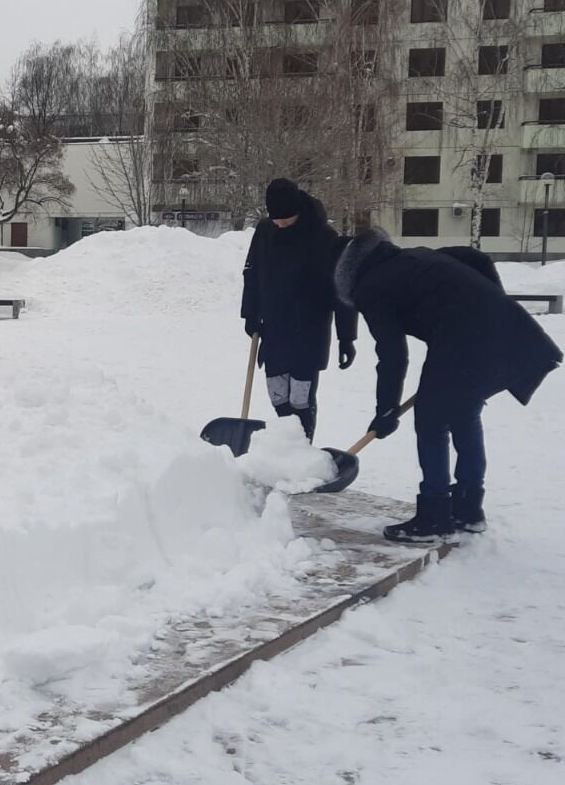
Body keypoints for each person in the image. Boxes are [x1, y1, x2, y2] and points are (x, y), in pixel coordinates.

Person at [335, 228, 562, 542]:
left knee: (431, 419)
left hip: (464, 342)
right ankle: (468, 509)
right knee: (462, 416)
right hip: (507, 333)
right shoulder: (414, 257)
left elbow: (392, 354)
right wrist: (488, 305)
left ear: (346, 275)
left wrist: (386, 409)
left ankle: (434, 516)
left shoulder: (369, 287)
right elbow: (475, 258)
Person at [241, 178, 357, 441]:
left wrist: (346, 336)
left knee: (301, 398)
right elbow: (252, 273)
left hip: (309, 330)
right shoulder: (265, 231)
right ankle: (287, 446)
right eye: (274, 218)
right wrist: (250, 314)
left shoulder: (324, 238)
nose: (279, 223)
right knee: (278, 394)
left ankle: (302, 450)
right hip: (274, 328)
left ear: (297, 210)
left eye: (284, 217)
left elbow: (342, 289)